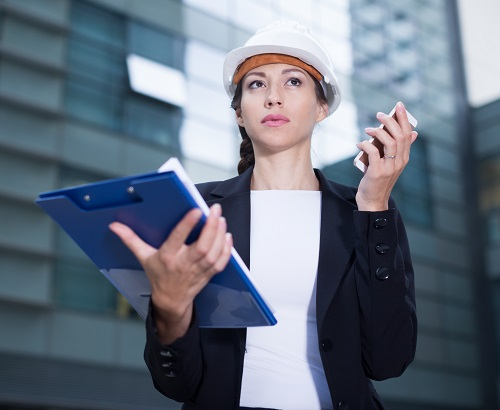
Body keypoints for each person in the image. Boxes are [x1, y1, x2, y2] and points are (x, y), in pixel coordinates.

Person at [110, 20, 417, 410]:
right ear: (239, 112)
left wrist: (373, 206)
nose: (273, 97)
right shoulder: (195, 211)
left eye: (293, 82)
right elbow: (177, 384)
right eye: (256, 84)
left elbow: (388, 359)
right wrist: (169, 309)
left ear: (322, 106)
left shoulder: (365, 212)